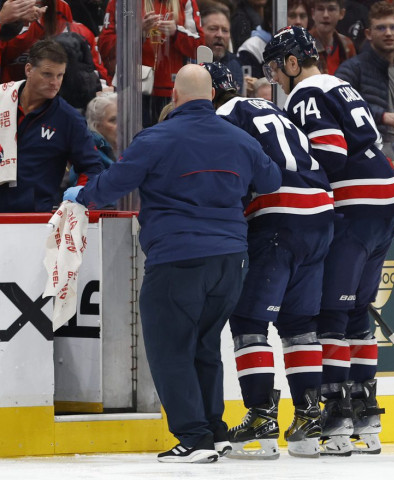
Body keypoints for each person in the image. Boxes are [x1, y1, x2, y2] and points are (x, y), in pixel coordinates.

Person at [62, 64, 282, 463]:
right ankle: (214, 432)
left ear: (174, 97)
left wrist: (80, 195)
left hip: (178, 257)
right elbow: (270, 180)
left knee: (170, 349)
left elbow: (113, 185)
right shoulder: (240, 139)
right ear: (212, 96)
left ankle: (193, 438)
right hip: (231, 260)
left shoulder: (156, 138)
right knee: (204, 346)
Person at [262, 25, 394, 456]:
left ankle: (334, 419)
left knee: (331, 314)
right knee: (356, 314)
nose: (276, 79)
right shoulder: (341, 85)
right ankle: (366, 420)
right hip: (385, 205)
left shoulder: (306, 93)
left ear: (293, 63)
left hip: (354, 208)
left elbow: (328, 152)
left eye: (277, 69)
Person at [202, 61, 334, 459]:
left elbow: (231, 174)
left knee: (248, 320)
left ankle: (261, 420)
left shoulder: (223, 116)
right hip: (320, 215)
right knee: (299, 322)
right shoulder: (270, 107)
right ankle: (309, 421)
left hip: (278, 218)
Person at [0, 39, 104, 213]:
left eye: (60, 75)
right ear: (28, 70)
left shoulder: (69, 119)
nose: (54, 82)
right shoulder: (3, 98)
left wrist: (77, 201)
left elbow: (92, 167)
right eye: (47, 74)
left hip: (34, 219)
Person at [335, 1, 394, 168]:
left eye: (393, 27)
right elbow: (337, 104)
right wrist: (383, 116)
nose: (388, 33)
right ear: (368, 33)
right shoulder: (353, 68)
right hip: (372, 149)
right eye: (381, 28)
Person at [98, 0, 204, 127]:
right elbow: (105, 47)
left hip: (170, 92)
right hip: (131, 89)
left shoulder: (185, 2)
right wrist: (137, 31)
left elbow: (199, 48)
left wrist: (176, 32)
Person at [68, 93, 117, 187]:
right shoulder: (89, 157)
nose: (121, 124)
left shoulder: (127, 148)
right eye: (113, 120)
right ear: (97, 126)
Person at [200, 2, 244, 92]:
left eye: (225, 30)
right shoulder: (189, 63)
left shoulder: (234, 64)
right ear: (200, 30)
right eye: (213, 29)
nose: (220, 35)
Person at [309, 0, 356, 75]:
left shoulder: (347, 45)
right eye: (320, 9)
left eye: (331, 9)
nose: (325, 15)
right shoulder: (303, 44)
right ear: (313, 13)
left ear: (341, 13)